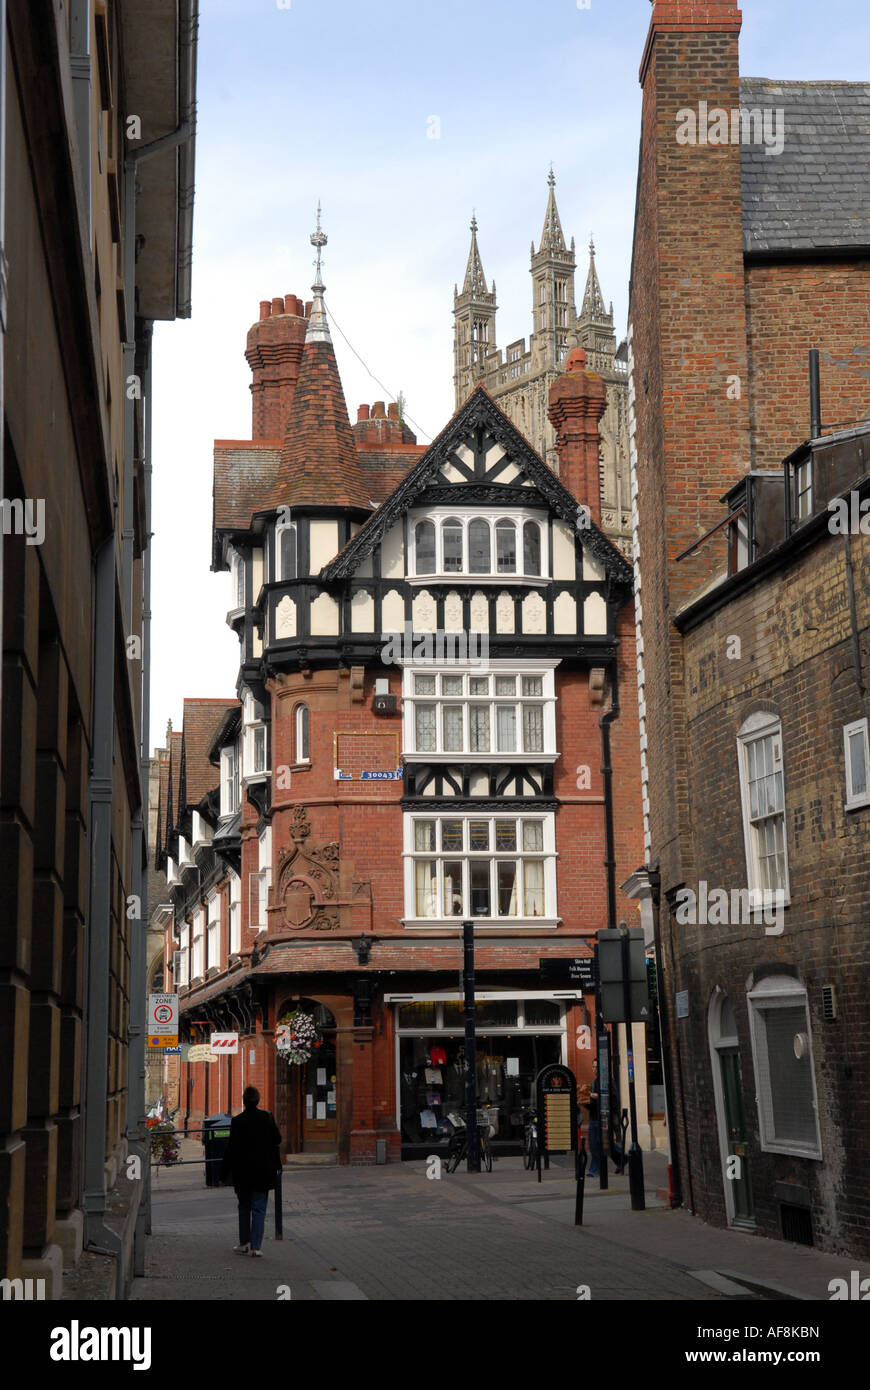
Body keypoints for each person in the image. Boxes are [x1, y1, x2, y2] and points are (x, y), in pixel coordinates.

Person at [220, 1085, 282, 1257]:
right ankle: (256, 1247)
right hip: (263, 1173)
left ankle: (244, 1243)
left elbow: (230, 1150)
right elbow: (278, 1139)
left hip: (243, 1174)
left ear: (244, 1101)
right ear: (258, 1100)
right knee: (259, 1209)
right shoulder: (267, 1118)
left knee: (244, 1207)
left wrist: (222, 1174)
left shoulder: (238, 1121)